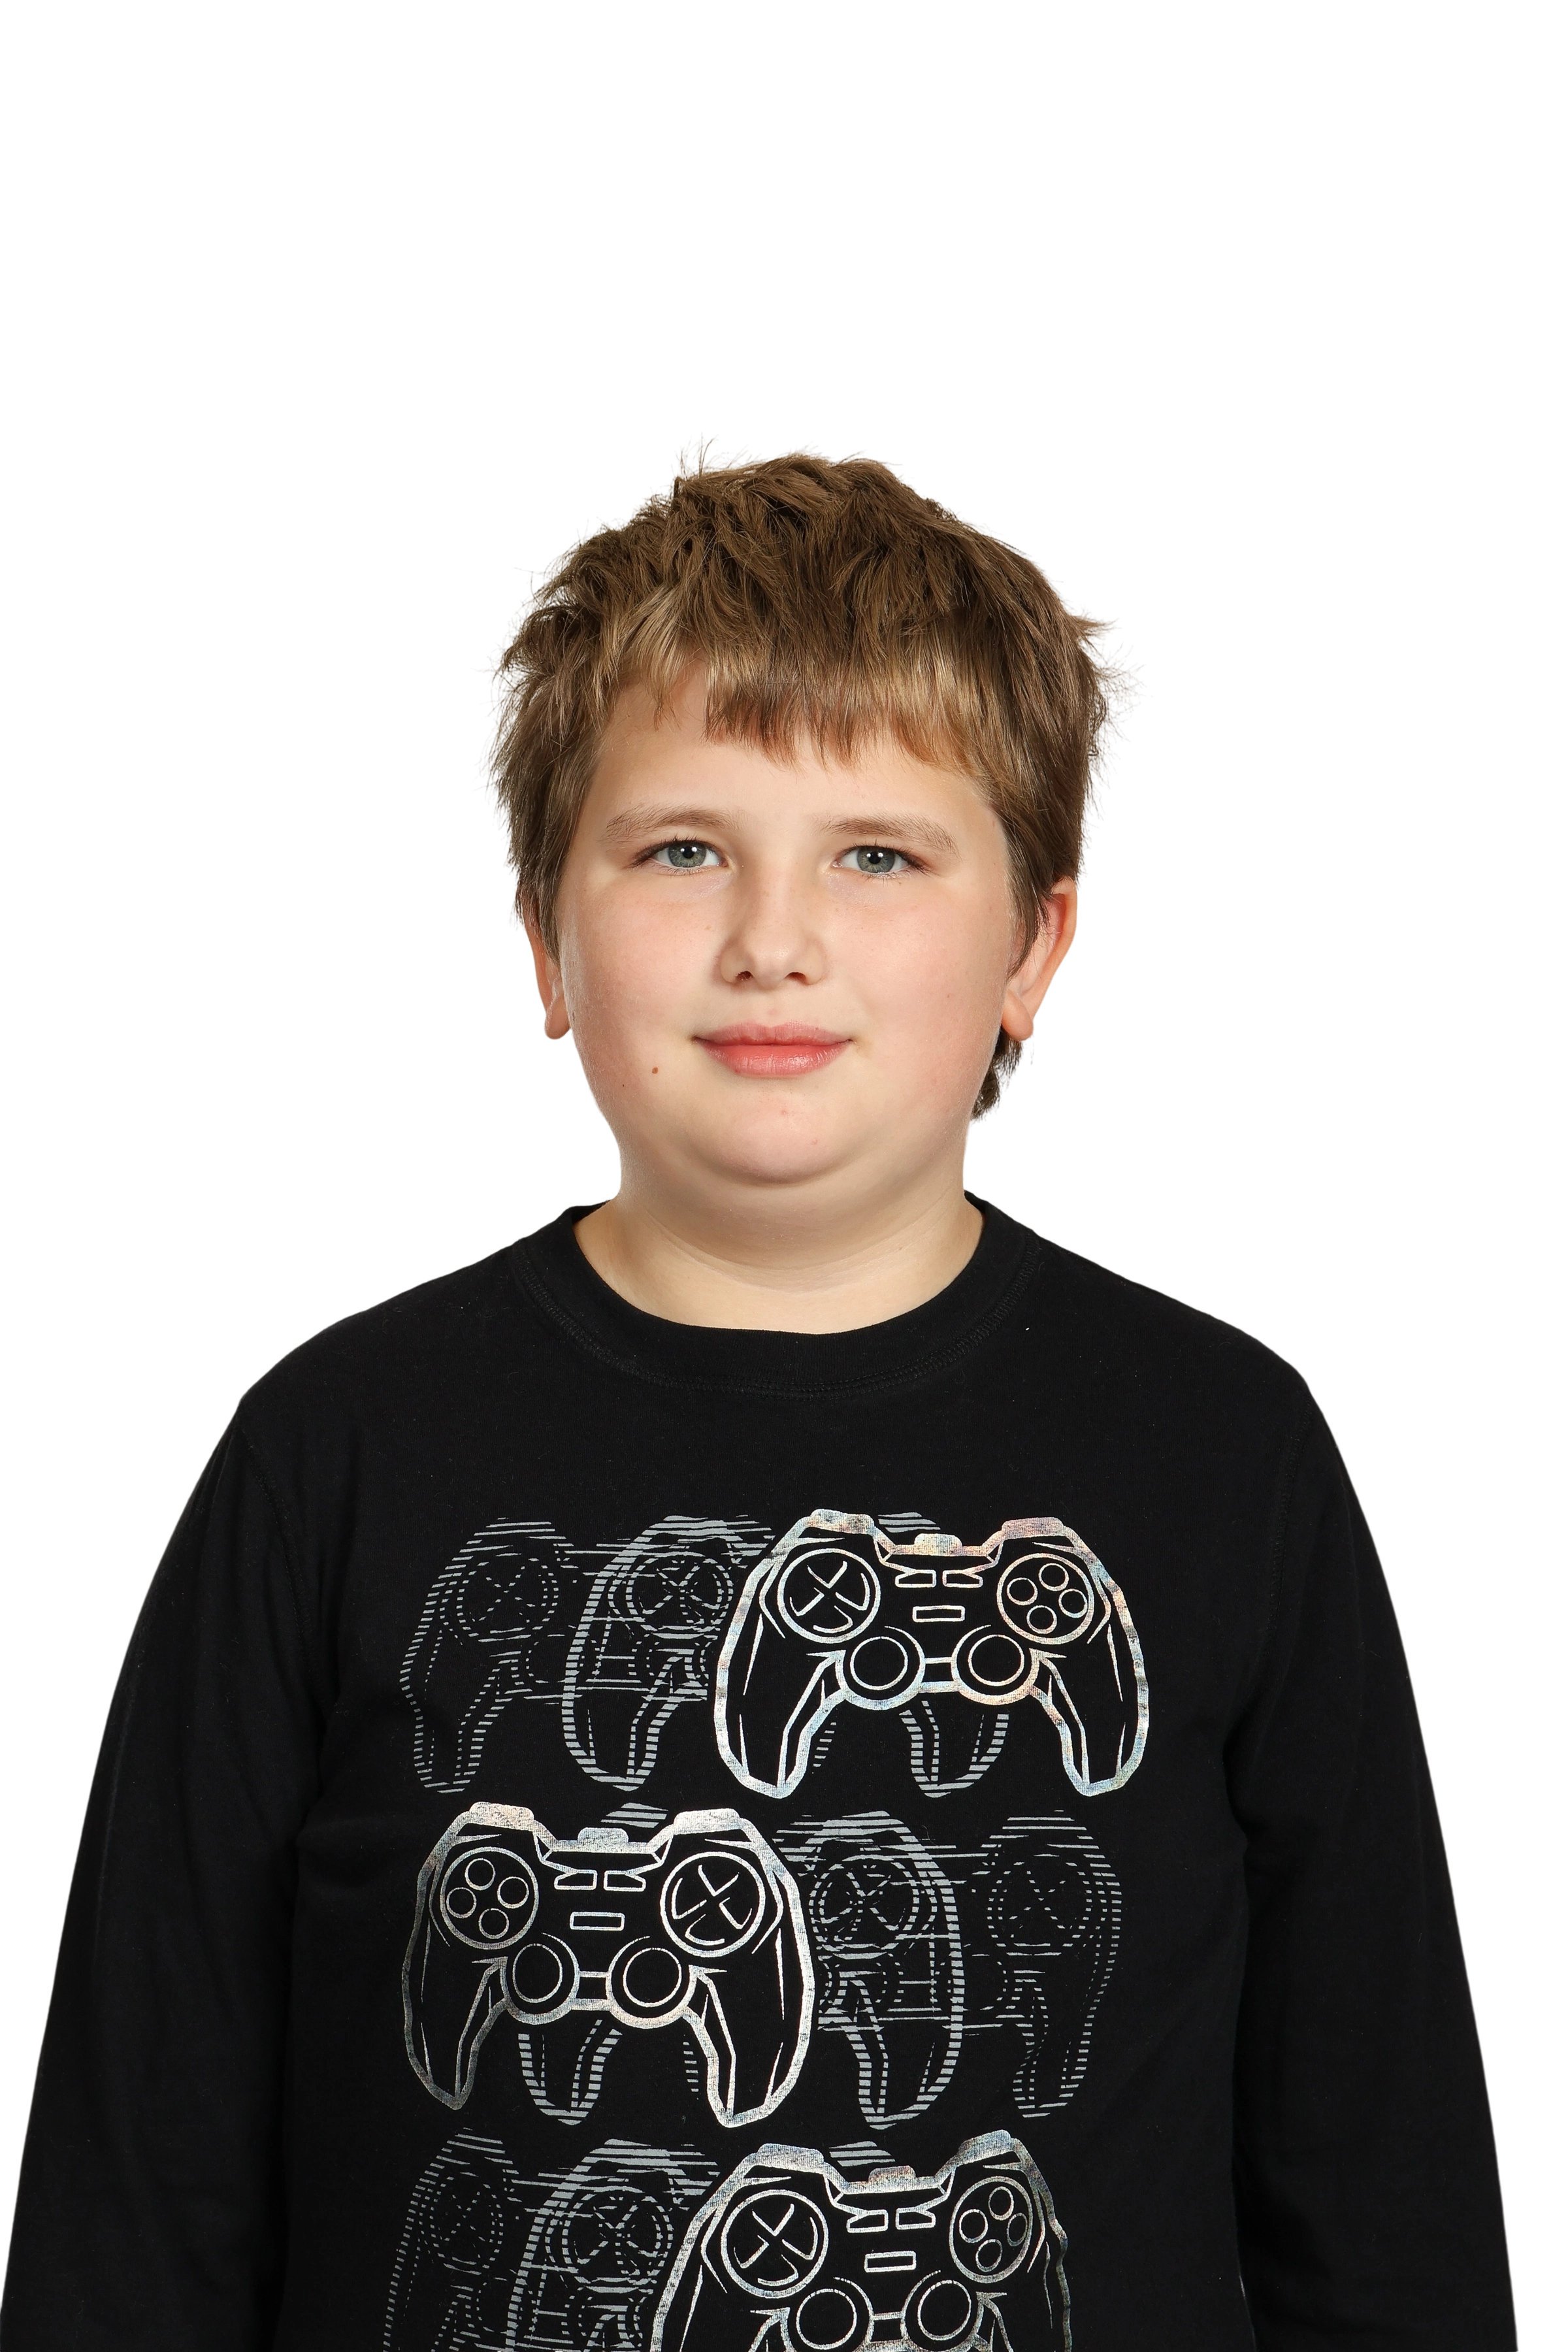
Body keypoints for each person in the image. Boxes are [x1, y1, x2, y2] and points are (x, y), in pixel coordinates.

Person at [0, 438, 1515, 2350]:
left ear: (1036, 947)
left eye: (877, 853)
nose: (771, 941)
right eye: (680, 850)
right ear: (543, 943)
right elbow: (138, 2193)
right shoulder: (331, 1450)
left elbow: (1383, 2194)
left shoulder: (1224, 1448)